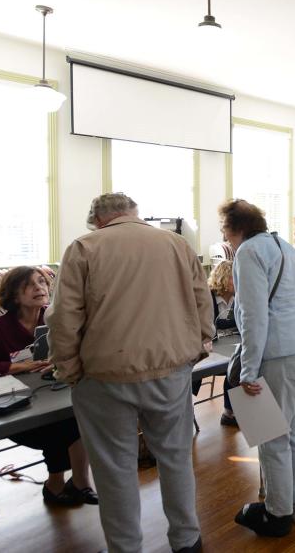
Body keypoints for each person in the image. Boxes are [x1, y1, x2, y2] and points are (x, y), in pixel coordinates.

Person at [46, 193, 213, 553]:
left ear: (99, 220)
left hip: (105, 376)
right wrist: (198, 347)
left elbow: (63, 318)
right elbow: (203, 300)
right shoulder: (176, 244)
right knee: (176, 458)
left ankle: (125, 548)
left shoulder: (84, 247)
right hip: (170, 370)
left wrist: (70, 369)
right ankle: (187, 541)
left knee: (114, 469)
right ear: (133, 214)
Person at [222, 199, 295, 538]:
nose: (224, 235)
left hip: (280, 353)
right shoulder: (285, 246)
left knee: (271, 435)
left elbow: (253, 315)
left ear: (236, 228)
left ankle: (277, 514)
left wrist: (248, 370)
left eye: (224, 228)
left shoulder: (249, 252)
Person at [0, 266, 97, 507]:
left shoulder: (53, 318)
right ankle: (56, 485)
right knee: (62, 427)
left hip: (47, 395)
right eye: (30, 285)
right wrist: (16, 367)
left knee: (79, 415)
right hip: (12, 407)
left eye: (42, 282)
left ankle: (80, 483)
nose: (40, 288)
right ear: (13, 294)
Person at [206, 260, 239, 427]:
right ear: (224, 278)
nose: (240, 280)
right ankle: (231, 411)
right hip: (208, 346)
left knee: (240, 362)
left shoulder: (238, 297)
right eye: (235, 277)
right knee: (236, 364)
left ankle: (231, 412)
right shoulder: (207, 297)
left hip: (229, 345)